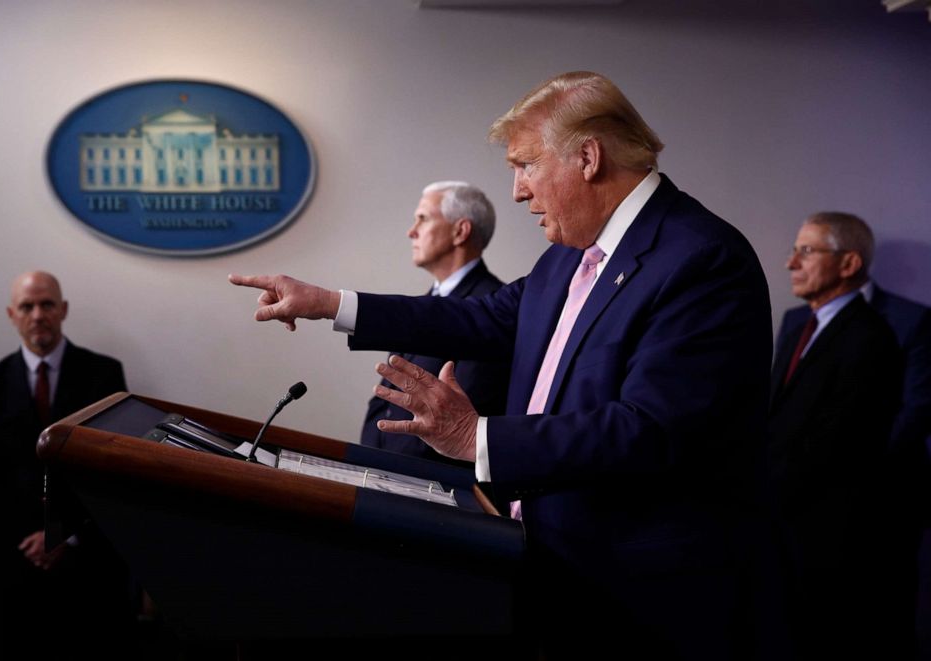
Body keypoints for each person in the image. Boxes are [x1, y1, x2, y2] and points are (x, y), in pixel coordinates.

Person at [230, 71, 779, 658]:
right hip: (547, 564)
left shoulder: (702, 258)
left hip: (640, 596)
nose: (517, 191)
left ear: (588, 158)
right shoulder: (569, 257)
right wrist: (331, 304)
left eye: (525, 165)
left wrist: (475, 436)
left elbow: (651, 429)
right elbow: (478, 319)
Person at [773, 211, 931, 656]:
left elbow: (904, 416)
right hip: (794, 515)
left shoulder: (884, 329)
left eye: (807, 251)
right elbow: (783, 414)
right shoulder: (795, 322)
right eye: (795, 250)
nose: (791, 262)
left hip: (860, 512)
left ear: (849, 264)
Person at [0, 271, 133, 661]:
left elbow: (110, 470)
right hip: (13, 560)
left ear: (63, 310)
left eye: (47, 304)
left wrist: (61, 535)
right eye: (27, 306)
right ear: (12, 314)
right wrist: (35, 539)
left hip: (88, 562)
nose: (37, 314)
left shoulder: (105, 374)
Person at [360, 181, 509, 464]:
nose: (411, 231)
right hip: (386, 475)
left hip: (427, 483)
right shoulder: (423, 305)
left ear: (460, 231)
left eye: (423, 219)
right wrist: (372, 456)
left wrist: (397, 469)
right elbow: (384, 398)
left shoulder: (493, 307)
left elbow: (463, 412)